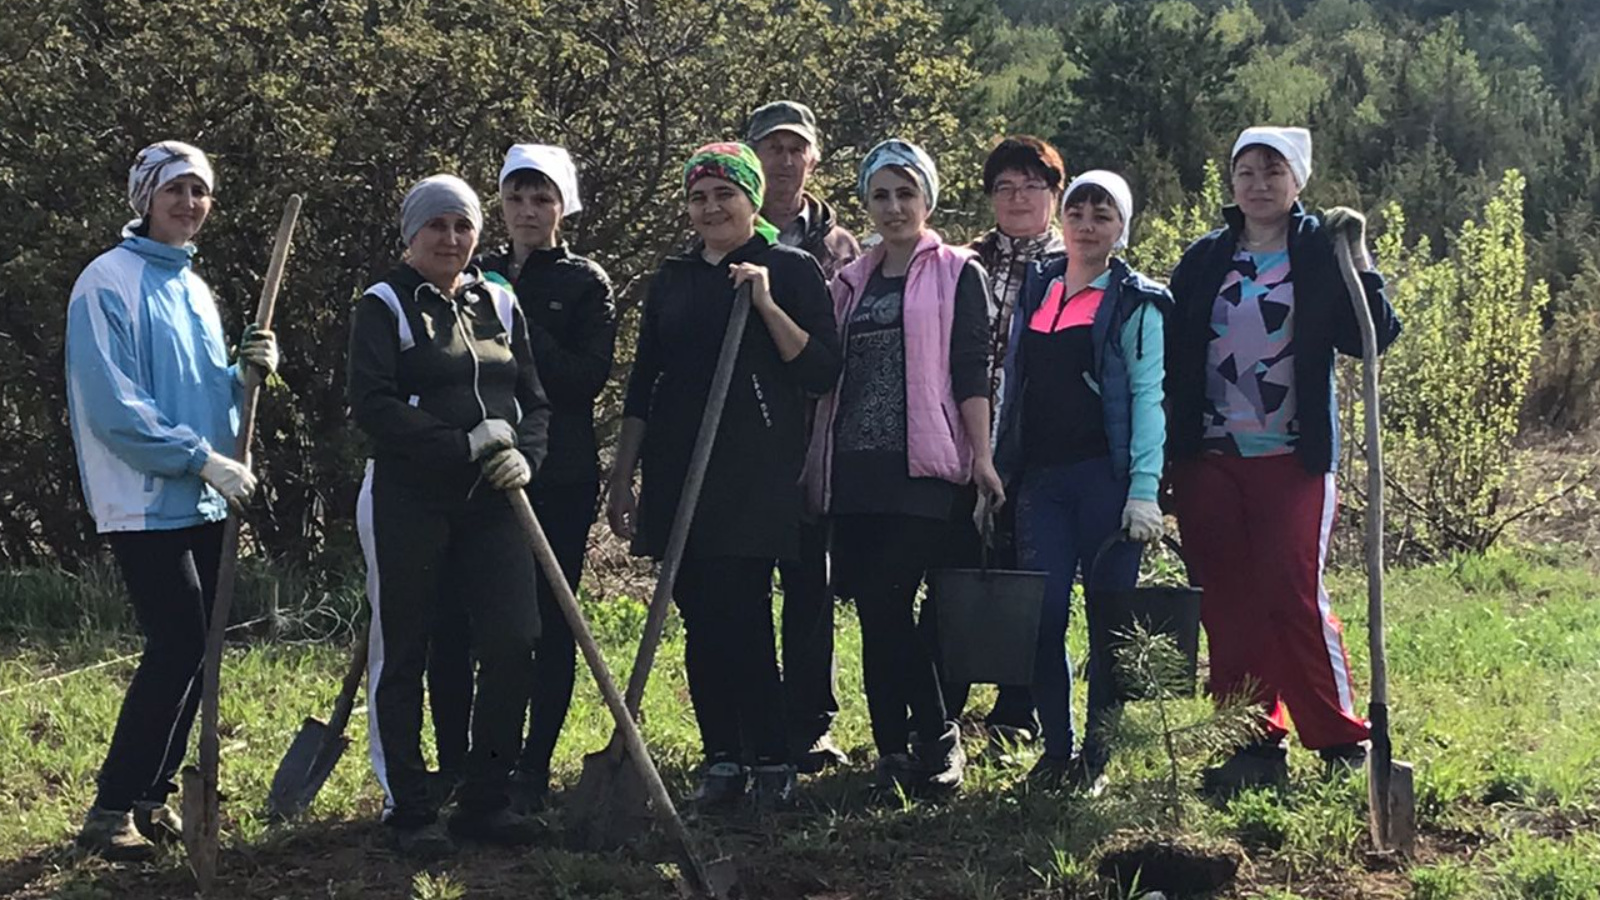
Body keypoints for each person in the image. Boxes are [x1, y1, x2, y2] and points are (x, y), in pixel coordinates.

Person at [1166, 127, 1401, 793]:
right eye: (1246, 171)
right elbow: (1173, 350)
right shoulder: (1205, 257)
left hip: (1292, 457)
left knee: (1291, 591)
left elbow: (1373, 336)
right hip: (1208, 456)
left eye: (1273, 171)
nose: (1259, 183)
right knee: (1227, 600)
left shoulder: (1322, 252)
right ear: (1231, 182)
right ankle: (1252, 741)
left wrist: (1360, 257)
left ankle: (1339, 737)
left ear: (1298, 181)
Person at [607, 142, 841, 809]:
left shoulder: (788, 267)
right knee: (699, 613)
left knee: (742, 611)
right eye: (699, 197)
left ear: (751, 198)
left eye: (725, 195)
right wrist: (623, 473)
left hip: (751, 467)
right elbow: (644, 382)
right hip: (678, 465)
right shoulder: (674, 278)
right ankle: (722, 757)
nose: (711, 208)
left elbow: (821, 369)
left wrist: (765, 303)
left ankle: (770, 755)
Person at [65, 141, 279, 860]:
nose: (190, 203)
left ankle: (152, 799)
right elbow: (114, 406)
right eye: (176, 189)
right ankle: (110, 809)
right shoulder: (107, 281)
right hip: (143, 495)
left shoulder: (192, 286)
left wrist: (242, 375)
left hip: (203, 495)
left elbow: (206, 395)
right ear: (146, 197)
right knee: (178, 641)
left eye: (200, 191)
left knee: (201, 646)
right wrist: (200, 459)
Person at [348, 174, 552, 856]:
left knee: (514, 639)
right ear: (411, 235)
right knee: (406, 647)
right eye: (436, 225)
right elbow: (372, 404)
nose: (451, 238)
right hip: (409, 497)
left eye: (463, 225)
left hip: (493, 499)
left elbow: (533, 398)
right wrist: (458, 443)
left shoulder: (499, 299)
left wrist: (525, 456)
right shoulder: (384, 305)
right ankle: (408, 807)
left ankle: (484, 798)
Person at [802, 139, 998, 797]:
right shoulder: (849, 281)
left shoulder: (957, 271)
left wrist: (982, 456)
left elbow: (971, 368)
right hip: (855, 468)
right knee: (874, 610)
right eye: (880, 195)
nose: (893, 207)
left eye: (905, 193)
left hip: (925, 465)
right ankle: (892, 751)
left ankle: (938, 738)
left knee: (890, 597)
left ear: (927, 200)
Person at [426, 145, 617, 813]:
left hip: (558, 473)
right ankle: (459, 764)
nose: (528, 211)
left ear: (564, 206)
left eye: (542, 199)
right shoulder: (468, 273)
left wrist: (515, 317)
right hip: (475, 471)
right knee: (456, 619)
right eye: (515, 198)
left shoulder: (585, 283)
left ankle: (531, 767)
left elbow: (582, 380)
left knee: (547, 621)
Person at [993, 171, 1170, 794]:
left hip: (1106, 482)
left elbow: (1149, 397)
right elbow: (1013, 385)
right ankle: (1055, 750)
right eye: (1078, 212)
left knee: (1108, 623)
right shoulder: (1038, 288)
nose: (1088, 225)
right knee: (1042, 618)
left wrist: (1144, 489)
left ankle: (1097, 756)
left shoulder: (1137, 303)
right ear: (1063, 220)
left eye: (1103, 215)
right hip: (1041, 481)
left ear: (1122, 229)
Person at [936, 135, 1069, 748]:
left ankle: (1018, 711)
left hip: (1039, 442)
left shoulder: (1076, 263)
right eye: (1005, 187)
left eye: (1032, 186)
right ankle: (940, 711)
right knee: (956, 571)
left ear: (1055, 193)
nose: (1018, 199)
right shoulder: (959, 262)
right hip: (958, 438)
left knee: (1027, 576)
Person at [746, 100, 860, 771]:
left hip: (817, 438)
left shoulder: (842, 249)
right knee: (744, 587)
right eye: (773, 148)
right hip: (746, 443)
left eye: (796, 149)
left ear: (814, 159)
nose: (785, 161)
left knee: (811, 586)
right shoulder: (728, 229)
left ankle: (810, 722)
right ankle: (752, 724)